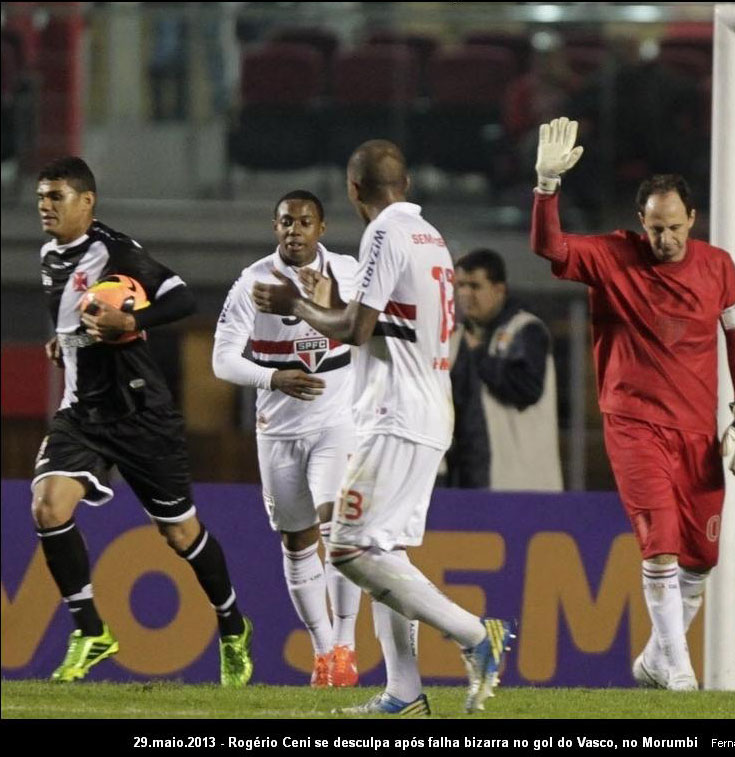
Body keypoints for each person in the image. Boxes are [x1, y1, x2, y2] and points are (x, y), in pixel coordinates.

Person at [251, 140, 516, 717]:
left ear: (352, 191)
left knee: (346, 547)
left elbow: (353, 328)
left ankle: (475, 635)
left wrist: (296, 304)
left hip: (397, 414)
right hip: (425, 407)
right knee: (382, 549)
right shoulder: (431, 238)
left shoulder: (384, 234)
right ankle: (404, 692)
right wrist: (333, 302)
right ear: (409, 183)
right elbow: (384, 321)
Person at [530, 118, 735, 690]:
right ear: (641, 223)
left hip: (699, 433)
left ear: (692, 221)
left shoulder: (718, 266)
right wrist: (546, 190)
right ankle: (680, 668)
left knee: (701, 558)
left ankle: (658, 656)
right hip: (633, 424)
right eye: (656, 229)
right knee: (660, 546)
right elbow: (549, 247)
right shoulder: (612, 257)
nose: (666, 239)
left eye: (675, 228)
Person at [32, 156, 253, 685]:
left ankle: (232, 628)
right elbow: (75, 320)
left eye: (56, 197)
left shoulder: (116, 250)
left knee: (180, 536)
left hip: (139, 414)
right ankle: (90, 631)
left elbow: (183, 298)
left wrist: (130, 319)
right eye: (41, 197)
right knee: (47, 505)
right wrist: (66, 342)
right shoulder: (48, 255)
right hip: (82, 412)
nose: (44, 206)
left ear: (87, 202)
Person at [212, 190, 363, 688]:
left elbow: (372, 329)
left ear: (322, 227)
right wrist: (273, 379)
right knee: (297, 541)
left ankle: (346, 646)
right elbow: (222, 360)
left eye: (303, 222)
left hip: (336, 422)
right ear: (273, 226)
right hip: (277, 430)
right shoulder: (252, 283)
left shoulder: (347, 271)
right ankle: (322, 654)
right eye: (285, 222)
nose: (293, 230)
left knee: (335, 527)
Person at [446, 247, 563, 491]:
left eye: (475, 286)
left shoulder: (526, 330)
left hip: (522, 485)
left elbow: (527, 390)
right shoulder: (455, 340)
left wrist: (481, 357)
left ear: (499, 290)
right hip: (464, 483)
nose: (466, 294)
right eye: (461, 286)